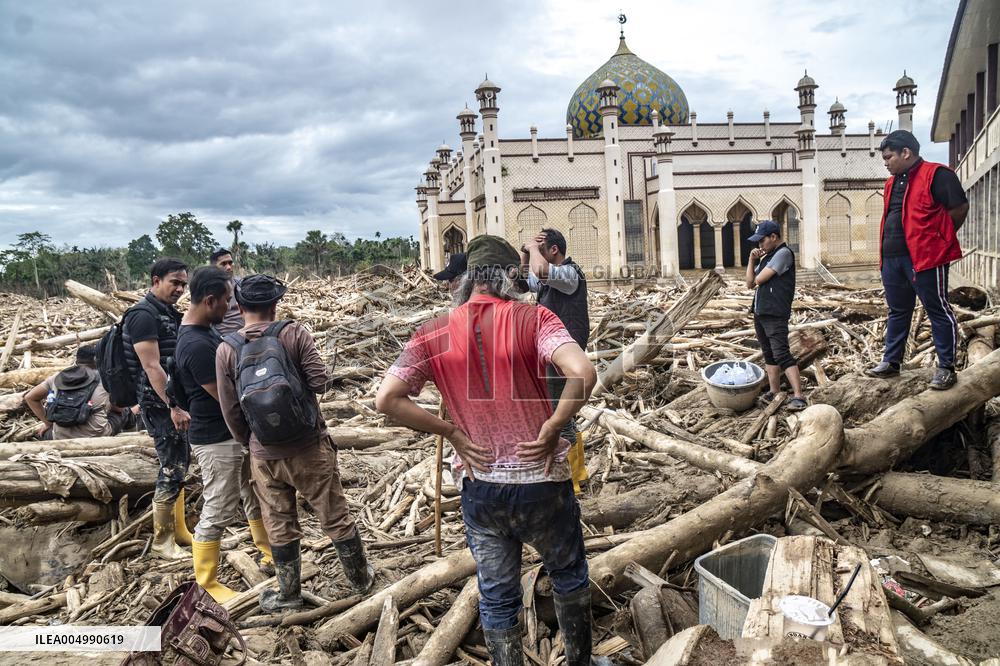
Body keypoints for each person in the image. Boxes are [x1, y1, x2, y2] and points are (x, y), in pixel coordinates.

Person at [376, 235, 602, 666]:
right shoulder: (535, 318)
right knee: (568, 575)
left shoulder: (434, 332)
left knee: (497, 596)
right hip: (542, 483)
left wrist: (451, 432)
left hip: (481, 487)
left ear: (467, 280)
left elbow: (386, 399)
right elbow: (583, 373)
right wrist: (554, 425)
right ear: (510, 277)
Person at [216, 274, 374, 611]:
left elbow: (230, 410)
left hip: (264, 455)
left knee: (278, 523)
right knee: (334, 515)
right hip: (309, 446)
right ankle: (361, 581)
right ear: (275, 305)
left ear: (239, 307)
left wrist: (252, 441)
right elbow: (320, 383)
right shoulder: (293, 333)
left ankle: (289, 594)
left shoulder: (226, 349)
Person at [174, 266, 272, 602]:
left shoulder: (202, 333)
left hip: (229, 435)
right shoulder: (196, 344)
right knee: (218, 505)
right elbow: (226, 396)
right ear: (209, 300)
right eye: (226, 301)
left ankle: (268, 552)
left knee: (252, 494)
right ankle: (206, 582)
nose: (230, 307)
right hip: (216, 439)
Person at [866, 129, 969, 390]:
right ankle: (892, 361)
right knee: (898, 310)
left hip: (924, 258)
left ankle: (946, 368)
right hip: (892, 259)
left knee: (937, 309)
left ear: (906, 153)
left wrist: (939, 239)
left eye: (889, 157)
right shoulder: (891, 183)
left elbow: (959, 208)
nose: (885, 163)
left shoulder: (938, 175)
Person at [122, 257, 193, 560]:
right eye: (174, 282)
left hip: (170, 401)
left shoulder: (164, 312)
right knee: (171, 467)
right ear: (156, 281)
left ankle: (179, 530)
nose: (180, 289)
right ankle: (162, 541)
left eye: (183, 284)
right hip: (158, 403)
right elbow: (151, 366)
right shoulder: (143, 315)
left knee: (180, 464)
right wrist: (173, 405)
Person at [521, 228, 590, 493]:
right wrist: (526, 253)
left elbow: (540, 272)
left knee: (559, 416)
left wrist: (533, 249)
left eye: (541, 250)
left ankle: (572, 481)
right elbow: (523, 282)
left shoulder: (570, 274)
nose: (536, 255)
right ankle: (578, 475)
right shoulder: (551, 280)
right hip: (555, 353)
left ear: (553, 250)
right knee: (565, 414)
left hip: (565, 357)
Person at [745, 220, 807, 411]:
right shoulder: (767, 257)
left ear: (773, 237)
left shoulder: (783, 253)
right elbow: (749, 283)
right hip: (761, 311)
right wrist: (751, 260)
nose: (760, 245)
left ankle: (798, 396)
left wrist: (758, 266)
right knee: (769, 352)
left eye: (762, 240)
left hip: (775, 312)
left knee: (781, 353)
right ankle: (774, 391)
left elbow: (759, 279)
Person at [24, 345, 127, 440]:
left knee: (46, 434)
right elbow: (119, 408)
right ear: (98, 361)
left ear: (77, 360)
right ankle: (130, 431)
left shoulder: (58, 377)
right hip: (96, 436)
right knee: (125, 411)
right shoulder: (105, 380)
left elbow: (30, 397)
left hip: (60, 436)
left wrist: (48, 423)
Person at [210, 247, 245, 336]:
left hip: (245, 334)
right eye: (223, 264)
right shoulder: (209, 289)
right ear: (214, 267)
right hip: (222, 337)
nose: (229, 267)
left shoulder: (241, 284)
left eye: (230, 263)